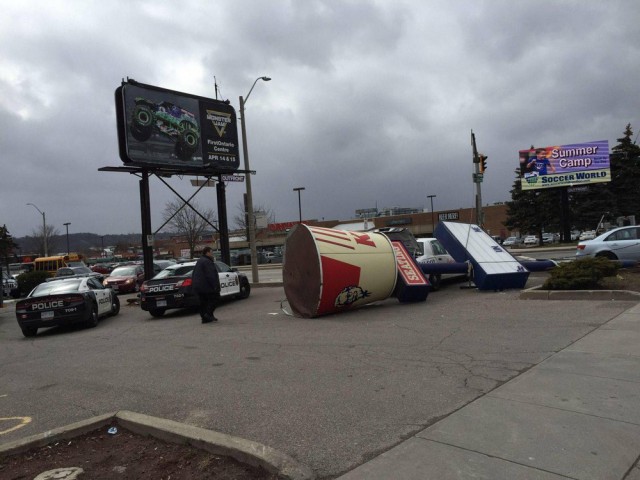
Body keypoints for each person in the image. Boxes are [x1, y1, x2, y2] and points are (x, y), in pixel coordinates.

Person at [192, 246, 220, 324]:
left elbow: (194, 273)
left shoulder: (200, 261)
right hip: (206, 286)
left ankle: (205, 318)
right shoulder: (207, 262)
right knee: (215, 299)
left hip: (199, 286)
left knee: (203, 302)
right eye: (211, 252)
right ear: (207, 252)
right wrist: (215, 285)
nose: (212, 254)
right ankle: (208, 314)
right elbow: (210, 275)